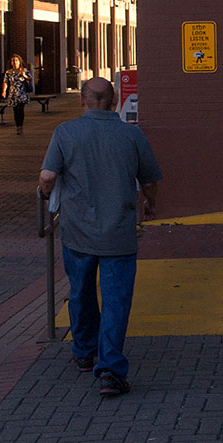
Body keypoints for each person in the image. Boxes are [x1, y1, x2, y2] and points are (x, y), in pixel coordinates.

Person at [37, 76, 162, 397]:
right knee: (116, 300)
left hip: (77, 231)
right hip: (118, 233)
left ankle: (83, 350)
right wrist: (151, 204)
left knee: (80, 292)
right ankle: (110, 370)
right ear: (115, 99)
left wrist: (46, 194)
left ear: (82, 100)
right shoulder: (131, 134)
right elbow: (149, 181)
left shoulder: (65, 133)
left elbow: (48, 176)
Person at [1, 54, 34, 136]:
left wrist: (24, 76)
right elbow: (5, 82)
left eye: (16, 60)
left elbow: (30, 78)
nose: (14, 62)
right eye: (13, 61)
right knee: (15, 111)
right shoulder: (8, 72)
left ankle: (21, 125)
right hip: (13, 94)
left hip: (22, 93)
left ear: (20, 62)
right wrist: (4, 91)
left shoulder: (24, 70)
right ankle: (18, 126)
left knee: (20, 109)